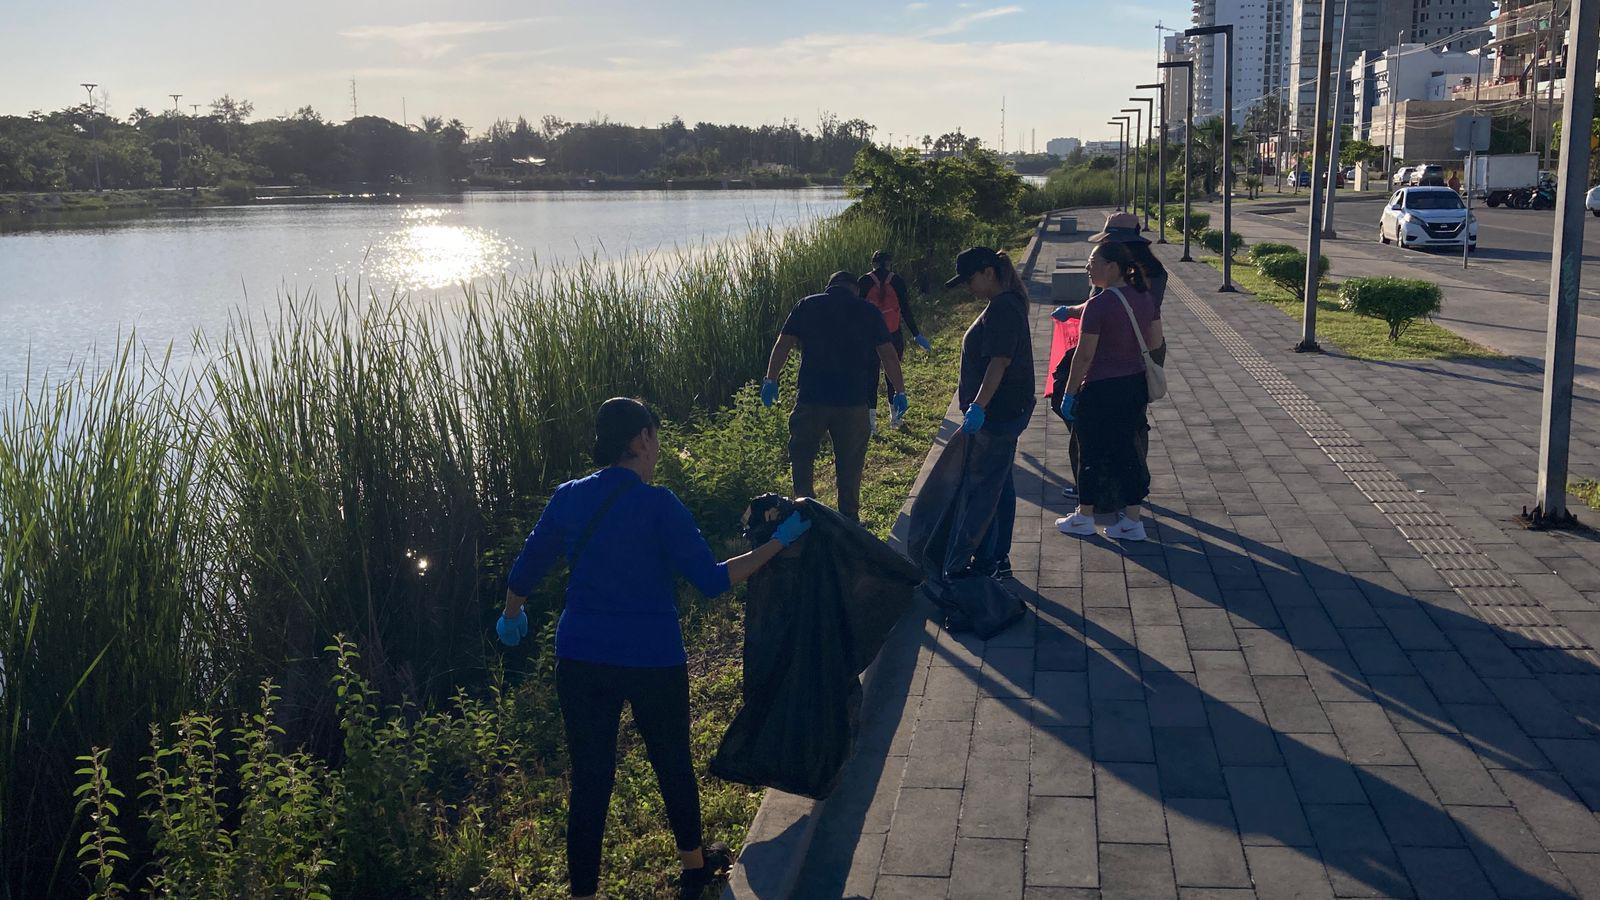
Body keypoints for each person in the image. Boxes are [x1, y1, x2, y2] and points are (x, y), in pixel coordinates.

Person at [496, 397, 812, 900]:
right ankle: (693, 869)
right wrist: (778, 544)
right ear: (641, 439)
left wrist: (512, 614)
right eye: (655, 436)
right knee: (671, 760)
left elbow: (527, 568)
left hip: (581, 657)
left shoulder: (568, 497)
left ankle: (583, 893)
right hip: (653, 658)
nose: (657, 446)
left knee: (591, 779)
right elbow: (711, 581)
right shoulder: (660, 504)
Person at [762, 271, 908, 521]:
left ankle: (805, 513)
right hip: (852, 403)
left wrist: (771, 379)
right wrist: (899, 391)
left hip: (811, 400)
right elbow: (888, 354)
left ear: (829, 287)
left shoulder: (807, 305)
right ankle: (849, 519)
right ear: (855, 290)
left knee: (803, 458)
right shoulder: (868, 311)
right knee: (850, 466)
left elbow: (783, 344)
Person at [1049, 211, 1168, 500]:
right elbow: (1100, 304)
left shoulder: (1140, 274)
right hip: (1135, 344)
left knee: (1117, 421)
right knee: (1127, 418)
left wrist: (1071, 391)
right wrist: (1076, 311)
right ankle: (1124, 484)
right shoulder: (1121, 271)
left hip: (1125, 347)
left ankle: (1109, 484)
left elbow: (1114, 308)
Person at [943, 246, 1036, 579]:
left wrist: (978, 407)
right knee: (1000, 483)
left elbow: (1000, 362)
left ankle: (986, 562)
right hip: (1004, 410)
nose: (969, 287)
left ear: (988, 273)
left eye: (971, 279)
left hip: (999, 413)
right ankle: (998, 557)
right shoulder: (1004, 304)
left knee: (986, 488)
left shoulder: (1002, 309)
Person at [859, 250, 932, 431]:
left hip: (869, 337)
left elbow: (858, 312)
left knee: (871, 378)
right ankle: (895, 419)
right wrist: (916, 334)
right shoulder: (897, 280)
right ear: (889, 263)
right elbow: (906, 310)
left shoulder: (864, 281)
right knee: (892, 374)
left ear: (873, 263)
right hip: (893, 334)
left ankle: (871, 424)